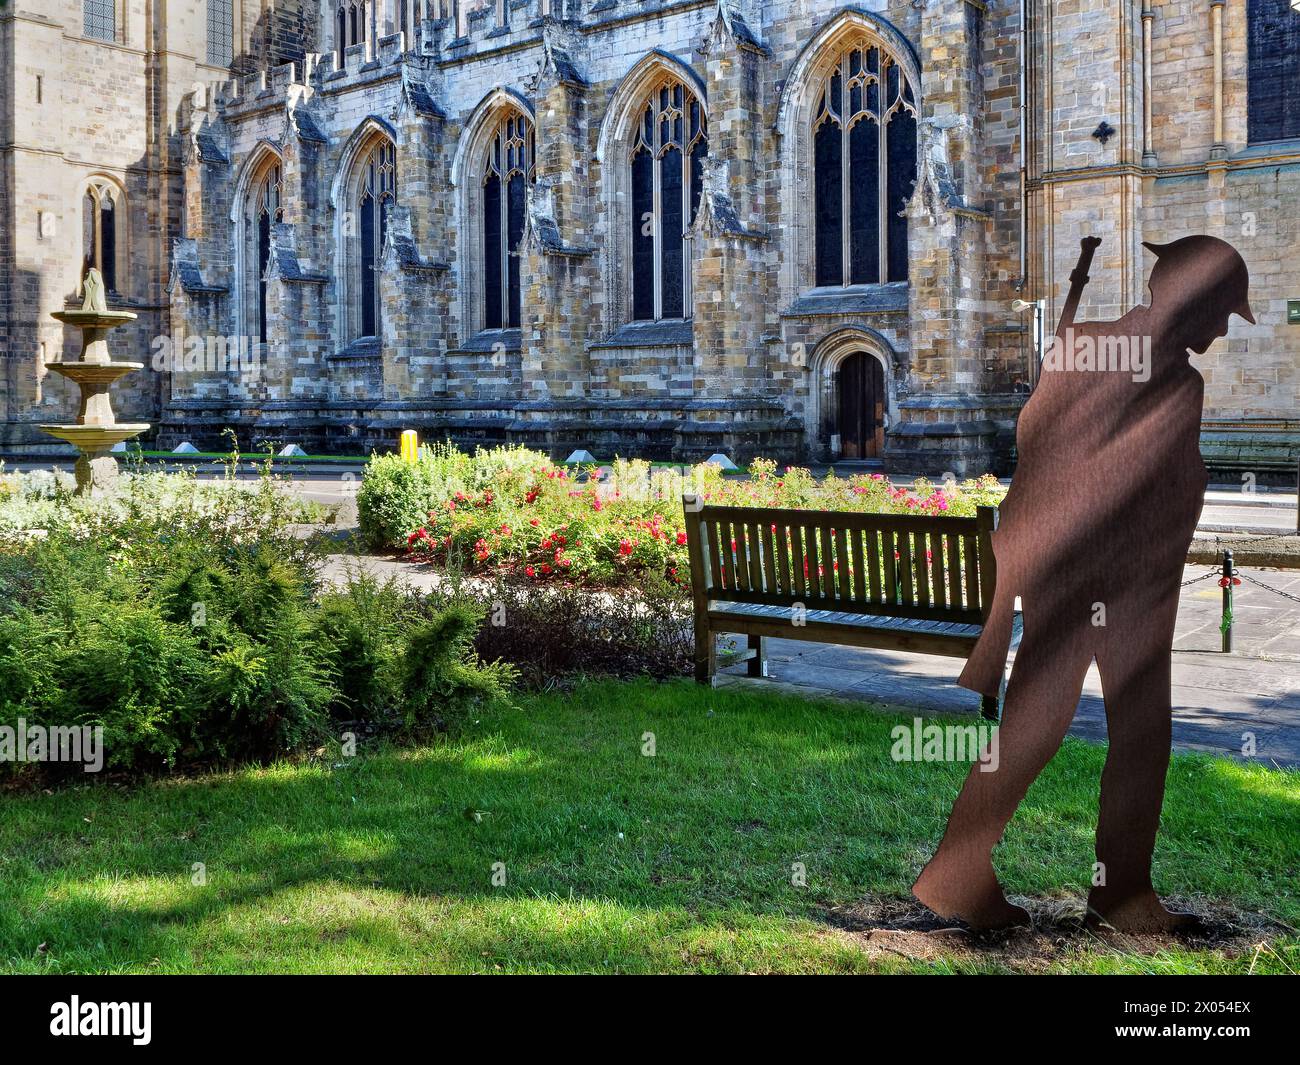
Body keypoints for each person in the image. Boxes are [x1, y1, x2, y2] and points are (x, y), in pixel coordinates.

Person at [912, 235, 1255, 932]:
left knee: (1039, 724)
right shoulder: (1172, 382)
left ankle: (961, 868)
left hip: (1064, 572)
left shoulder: (1090, 345)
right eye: (1220, 312)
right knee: (1138, 731)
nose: (1221, 329)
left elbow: (1042, 440)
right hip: (1117, 585)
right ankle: (1119, 895)